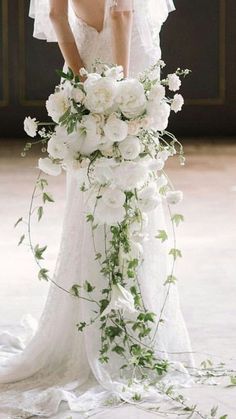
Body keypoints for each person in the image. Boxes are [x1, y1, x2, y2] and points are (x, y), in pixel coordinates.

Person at [0, 1, 194, 417]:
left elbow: (56, 15)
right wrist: (122, 93)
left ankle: (81, 325)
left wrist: (85, 81)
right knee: (131, 198)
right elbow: (123, 15)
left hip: (85, 70)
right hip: (124, 67)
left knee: (90, 193)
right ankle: (129, 325)